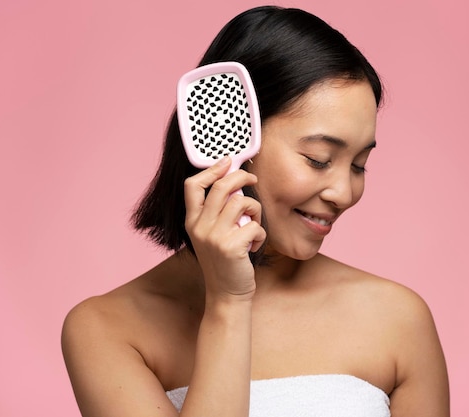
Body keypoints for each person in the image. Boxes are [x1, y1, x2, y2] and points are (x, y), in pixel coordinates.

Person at [61, 5, 449, 417]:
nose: (344, 192)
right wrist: (229, 302)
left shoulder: (397, 319)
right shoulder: (106, 330)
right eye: (318, 158)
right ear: (225, 136)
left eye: (358, 165)